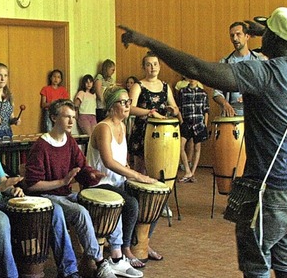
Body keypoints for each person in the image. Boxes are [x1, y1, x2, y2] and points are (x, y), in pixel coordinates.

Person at [119, 6, 287, 278]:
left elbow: (196, 68)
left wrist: (149, 42)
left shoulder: (262, 73)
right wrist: (267, 32)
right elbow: (286, 46)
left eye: (265, 32)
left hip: (270, 189)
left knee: (257, 267)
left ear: (273, 37)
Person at [0, 99, 82, 278]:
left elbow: (2, 181)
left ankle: (69, 270)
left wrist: (12, 190)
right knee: (1, 220)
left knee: (52, 209)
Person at [24, 99, 142, 278]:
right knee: (80, 212)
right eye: (67, 117)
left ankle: (117, 257)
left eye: (73, 117)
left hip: (65, 194)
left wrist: (92, 174)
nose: (72, 121)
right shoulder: (41, 146)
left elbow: (81, 167)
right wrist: (62, 182)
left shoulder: (69, 141)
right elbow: (32, 185)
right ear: (54, 117)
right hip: (46, 197)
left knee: (110, 205)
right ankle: (100, 261)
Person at [86, 86, 158, 270]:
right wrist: (137, 175)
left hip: (118, 182)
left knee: (156, 197)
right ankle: (125, 249)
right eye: (123, 102)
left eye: (129, 102)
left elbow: (121, 160)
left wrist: (132, 172)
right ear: (112, 105)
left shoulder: (123, 125)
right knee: (132, 203)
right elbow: (108, 162)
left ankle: (142, 242)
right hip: (100, 184)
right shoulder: (103, 127)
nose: (127, 106)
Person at [128, 51, 180, 175]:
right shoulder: (138, 86)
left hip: (162, 133)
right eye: (149, 65)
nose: (153, 67)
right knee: (140, 170)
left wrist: (173, 110)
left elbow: (176, 108)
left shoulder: (166, 87)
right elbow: (129, 109)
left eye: (155, 64)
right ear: (144, 67)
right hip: (142, 131)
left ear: (160, 66)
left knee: (159, 170)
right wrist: (149, 112)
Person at [213, 22, 267, 117]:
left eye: (238, 34)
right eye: (232, 35)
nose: (235, 38)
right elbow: (217, 92)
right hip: (232, 115)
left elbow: (268, 88)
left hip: (256, 114)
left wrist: (250, 97)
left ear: (247, 36)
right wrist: (225, 104)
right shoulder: (225, 62)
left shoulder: (260, 60)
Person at [176, 78, 209, 183]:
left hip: (199, 124)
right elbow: (179, 108)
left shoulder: (203, 93)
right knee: (180, 146)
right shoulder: (182, 92)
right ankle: (187, 170)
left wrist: (205, 124)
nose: (192, 80)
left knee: (197, 148)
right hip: (186, 123)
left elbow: (206, 110)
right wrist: (181, 122)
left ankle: (193, 173)